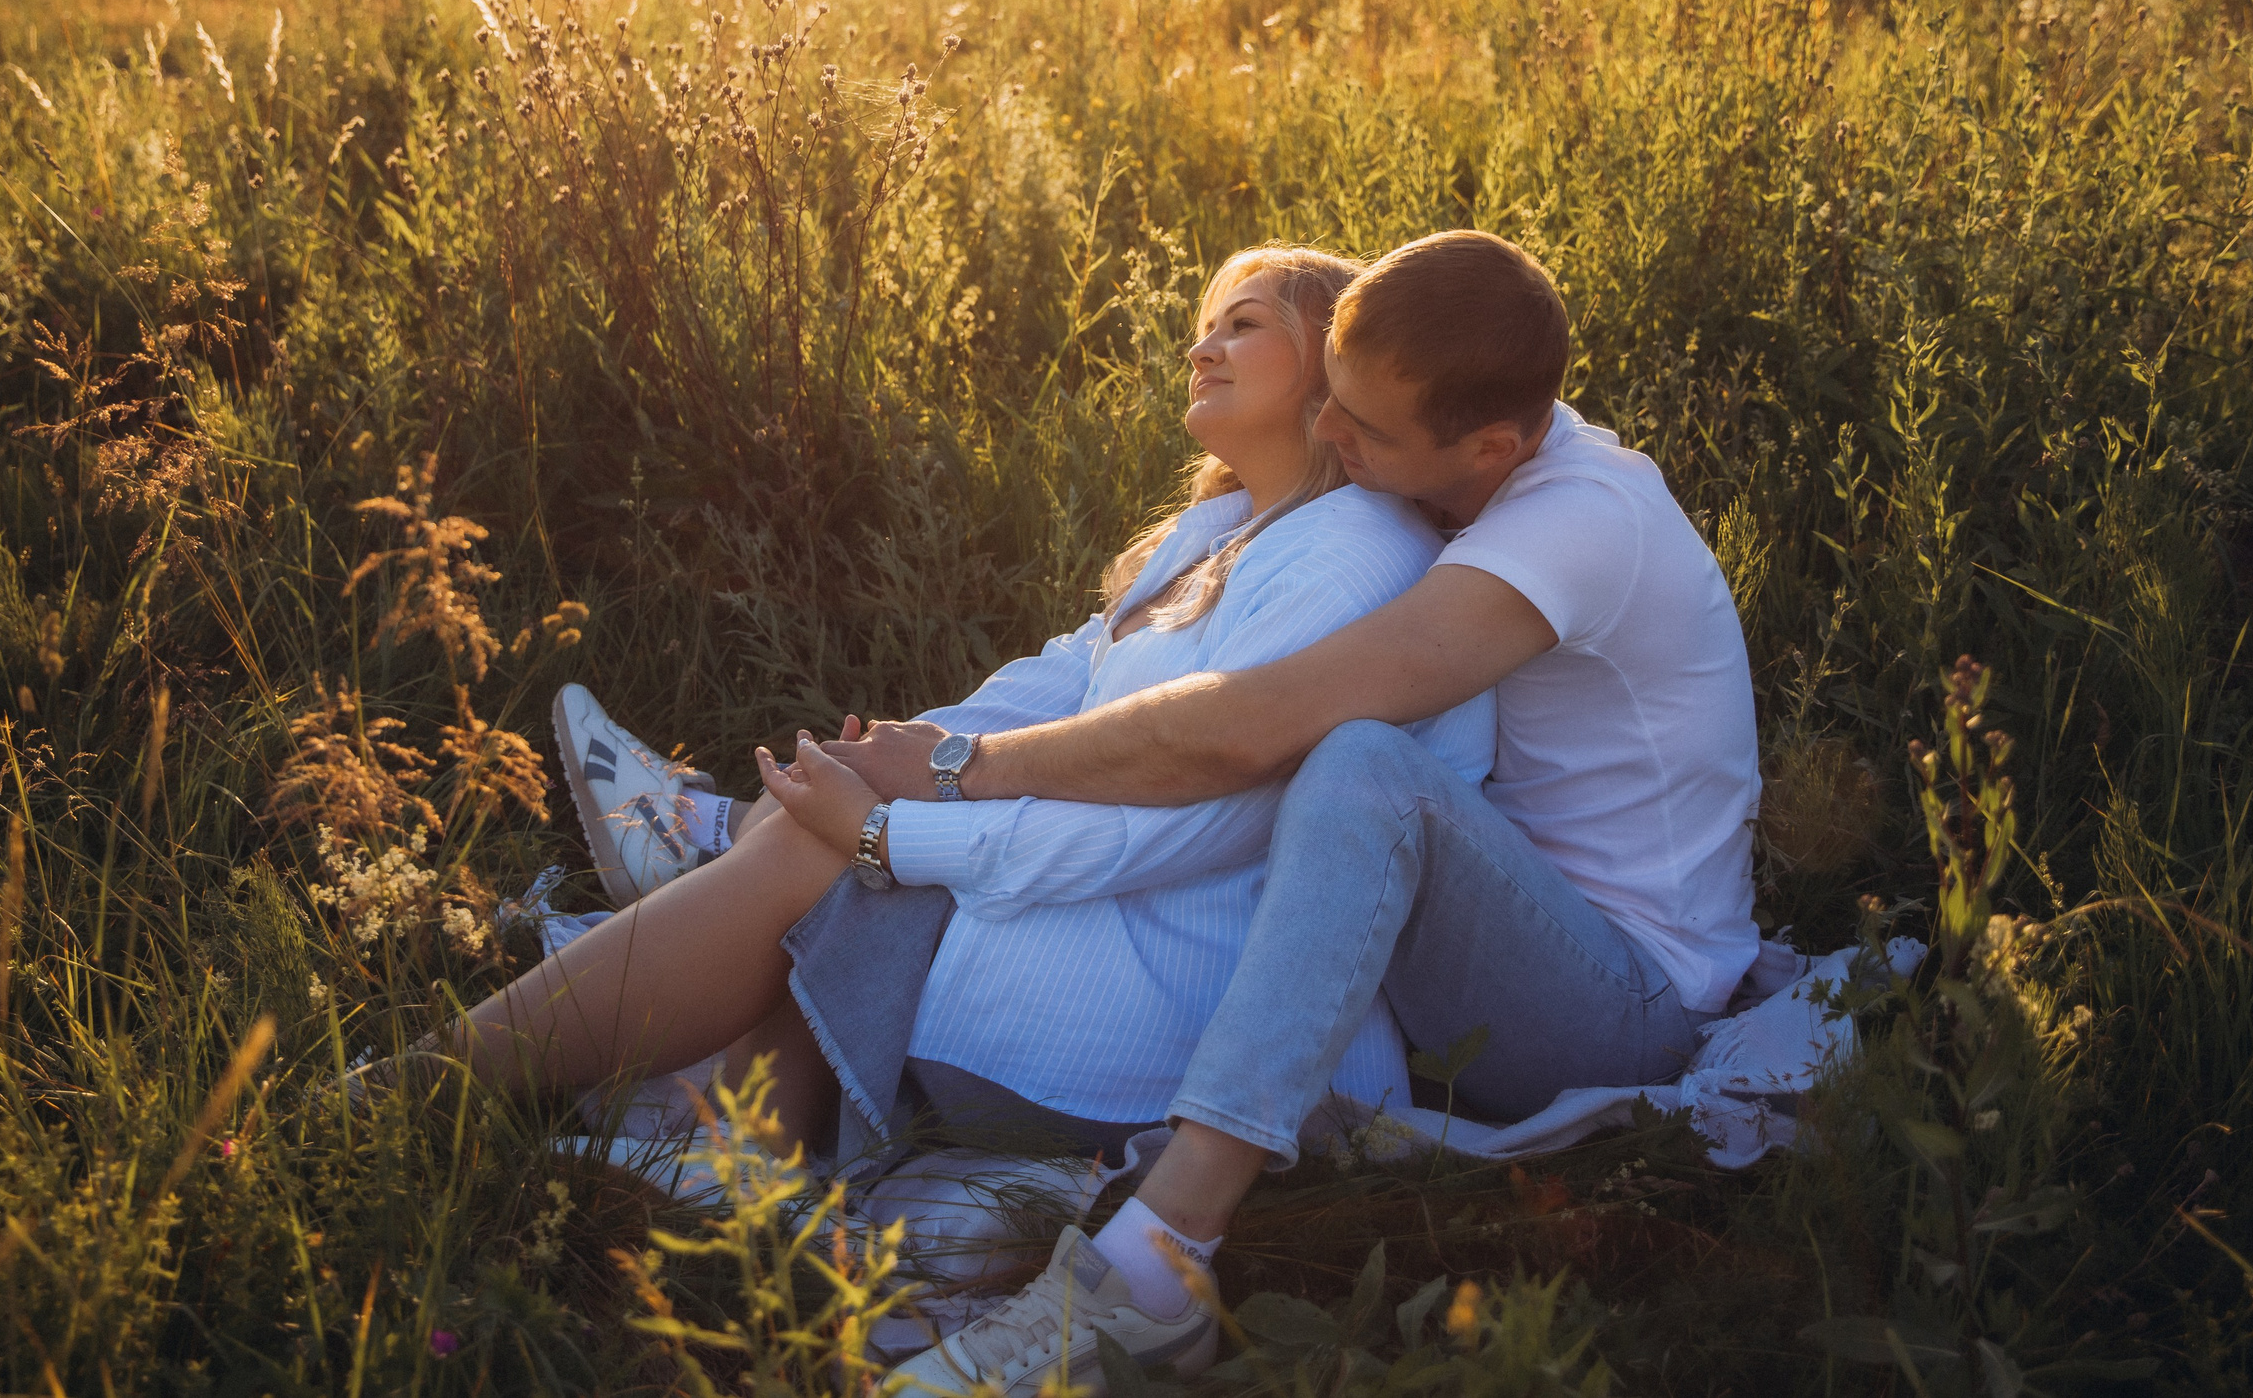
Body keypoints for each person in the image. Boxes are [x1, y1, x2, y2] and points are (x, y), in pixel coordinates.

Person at [419, 247, 1493, 1348]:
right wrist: (909, 751)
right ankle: (725, 1117)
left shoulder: (1354, 555)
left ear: (1336, 369)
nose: (1200, 344)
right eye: (1207, 321)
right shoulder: (1220, 531)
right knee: (828, 835)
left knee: (837, 857)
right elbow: (1062, 680)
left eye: (1246, 323)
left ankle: (437, 1085)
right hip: (1110, 931)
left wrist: (898, 830)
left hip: (1183, 1003)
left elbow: (1194, 822)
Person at [773, 229, 1763, 1395]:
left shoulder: (1577, 522)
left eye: (1364, 429)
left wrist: (963, 770)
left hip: (1621, 996)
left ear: (1490, 446)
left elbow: (1247, 725)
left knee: (1357, 762)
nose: (1329, 435)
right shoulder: (1468, 447)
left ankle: (1153, 1266)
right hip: (1477, 936)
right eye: (1329, 398)